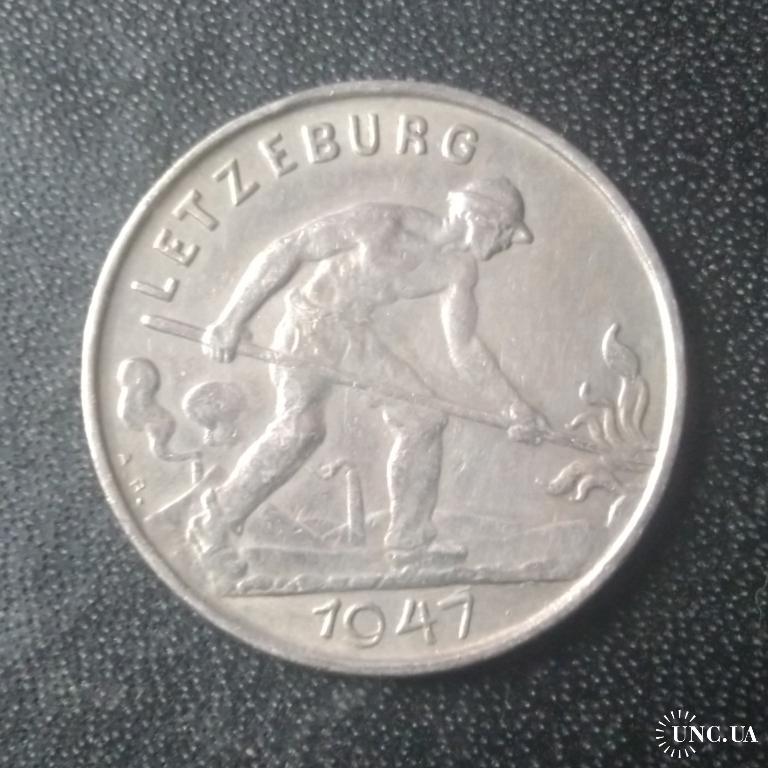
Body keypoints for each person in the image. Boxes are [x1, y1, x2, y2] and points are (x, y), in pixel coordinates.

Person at [200, 177, 546, 562]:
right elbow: (291, 247)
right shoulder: (384, 223)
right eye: (506, 231)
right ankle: (216, 519)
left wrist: (513, 406)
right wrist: (230, 321)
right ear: (480, 219)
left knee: (423, 419)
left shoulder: (458, 270)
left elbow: (463, 348)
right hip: (309, 327)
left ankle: (409, 542)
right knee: (300, 430)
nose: (508, 242)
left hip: (355, 336)